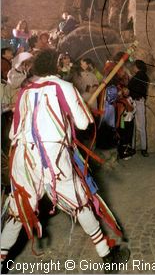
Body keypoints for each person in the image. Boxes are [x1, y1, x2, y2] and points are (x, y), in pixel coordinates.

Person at [0, 49, 130, 272]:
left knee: (18, 212)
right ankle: (107, 257)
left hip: (24, 160)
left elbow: (12, 135)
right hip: (54, 161)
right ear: (57, 65)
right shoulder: (64, 87)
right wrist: (79, 109)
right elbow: (83, 123)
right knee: (81, 204)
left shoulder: (25, 90)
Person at [128, 60, 150, 157]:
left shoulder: (139, 75)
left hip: (136, 102)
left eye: (134, 66)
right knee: (140, 127)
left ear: (137, 66)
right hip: (138, 101)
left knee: (136, 127)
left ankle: (134, 148)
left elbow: (129, 86)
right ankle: (143, 149)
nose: (133, 67)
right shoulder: (143, 76)